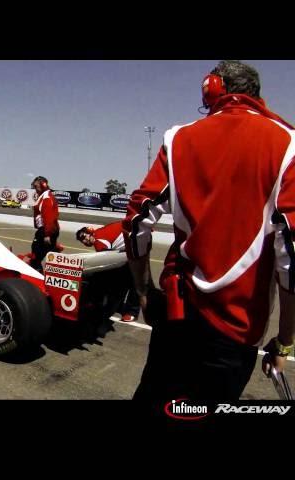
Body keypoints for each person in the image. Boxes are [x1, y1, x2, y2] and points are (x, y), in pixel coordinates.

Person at [123, 60, 295, 404]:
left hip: (177, 312)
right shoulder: (288, 144)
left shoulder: (177, 138)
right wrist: (285, 340)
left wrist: (142, 290)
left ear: (213, 88)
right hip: (237, 329)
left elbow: (137, 221)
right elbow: (289, 254)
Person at [76, 222, 140, 322]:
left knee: (135, 281)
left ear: (90, 232)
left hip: (138, 243)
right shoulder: (99, 233)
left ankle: (132, 311)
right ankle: (119, 306)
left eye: (84, 236)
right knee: (123, 277)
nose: (84, 241)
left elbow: (106, 264)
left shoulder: (99, 241)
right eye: (82, 240)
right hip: (133, 243)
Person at [30, 176, 59, 272]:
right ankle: (55, 250)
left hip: (46, 231)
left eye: (36, 186)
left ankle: (37, 275)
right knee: (43, 252)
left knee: (36, 255)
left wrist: (47, 234)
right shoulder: (43, 196)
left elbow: (48, 217)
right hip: (46, 230)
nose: (35, 189)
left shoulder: (46, 197)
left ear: (43, 185)